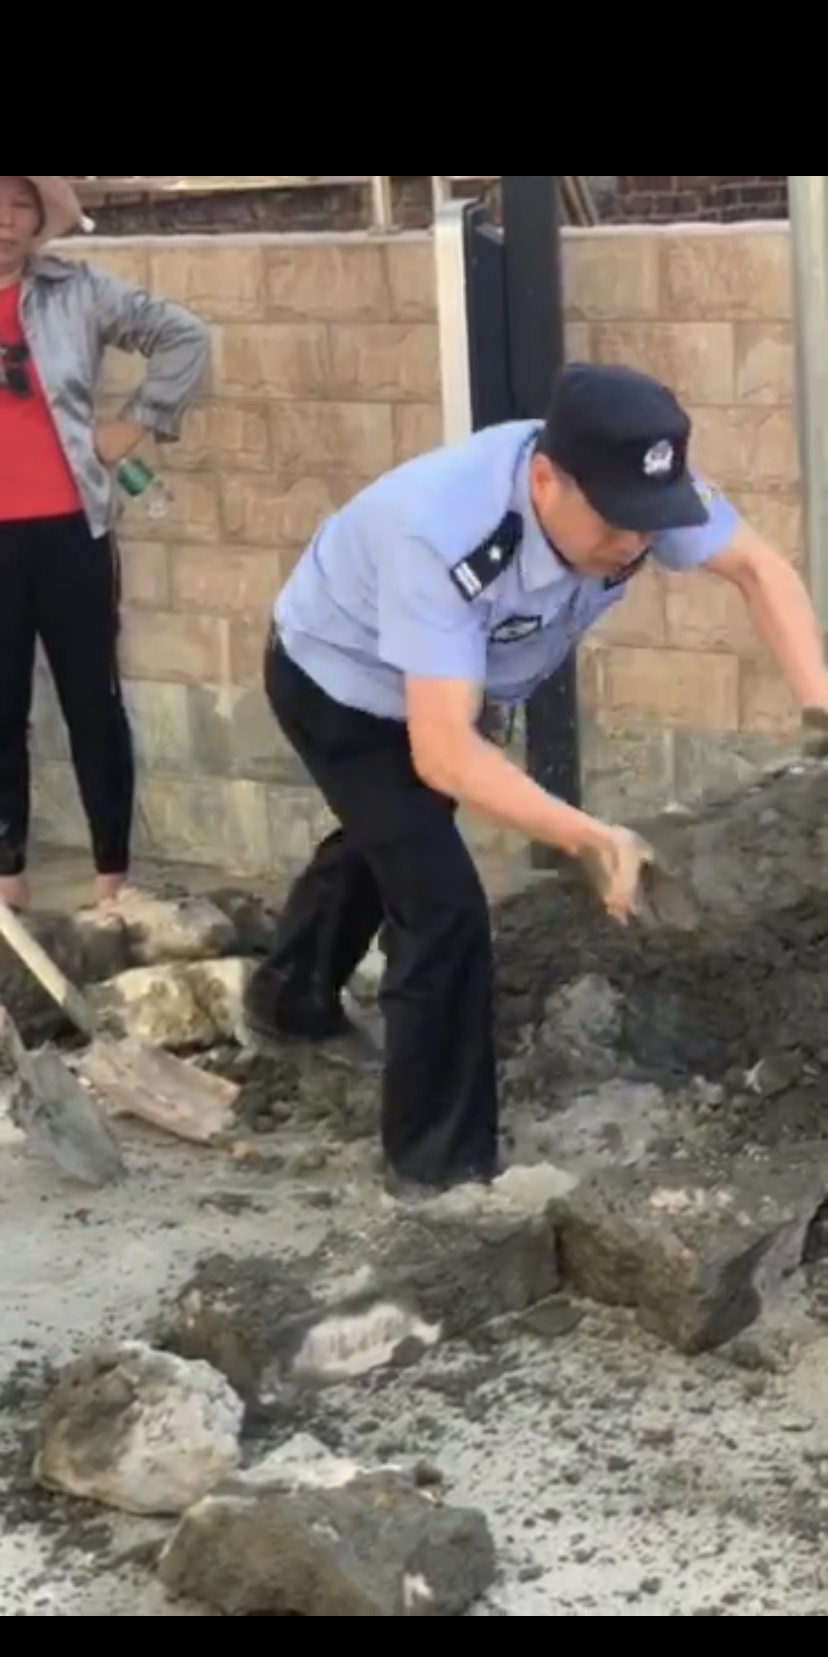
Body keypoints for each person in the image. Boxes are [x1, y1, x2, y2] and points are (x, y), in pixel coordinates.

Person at [245, 361, 828, 1196]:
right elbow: (443, 754)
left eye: (649, 523)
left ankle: (288, 1000)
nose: (635, 544)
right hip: (339, 683)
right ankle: (439, 1170)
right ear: (547, 480)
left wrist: (820, 705)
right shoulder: (443, 531)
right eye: (617, 524)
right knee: (442, 904)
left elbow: (760, 570)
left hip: (450, 686)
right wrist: (587, 836)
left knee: (392, 836)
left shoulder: (633, 484)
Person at [0, 174, 209, 910]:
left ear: (39, 219)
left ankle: (111, 879)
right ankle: (7, 879)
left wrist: (136, 421)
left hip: (71, 529)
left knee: (93, 702)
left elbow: (185, 336)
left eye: (20, 204)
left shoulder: (78, 290)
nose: (4, 219)